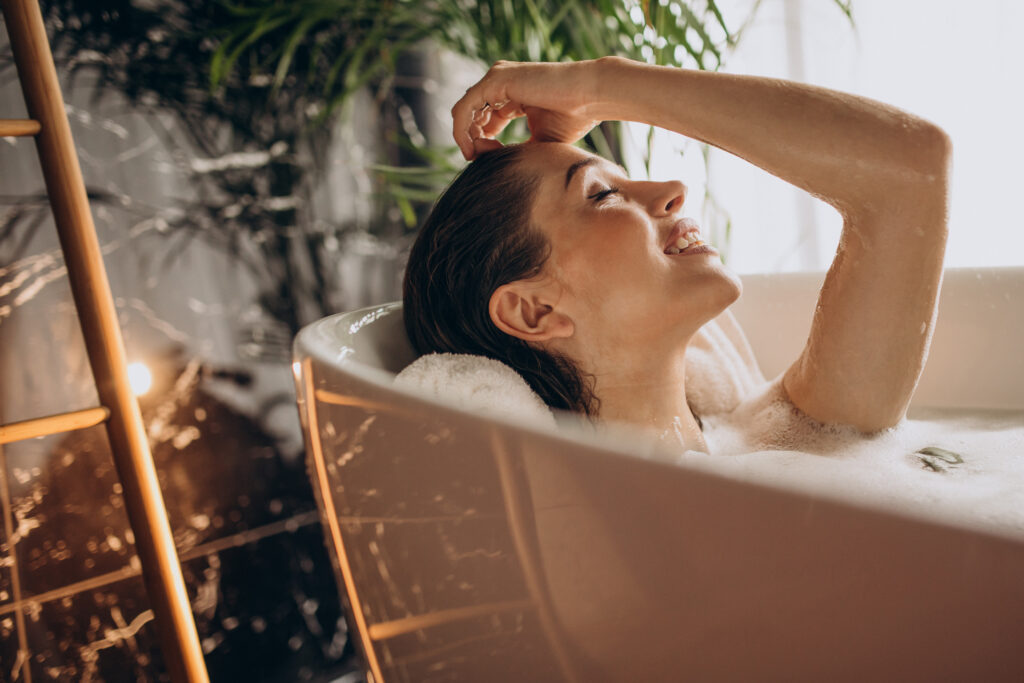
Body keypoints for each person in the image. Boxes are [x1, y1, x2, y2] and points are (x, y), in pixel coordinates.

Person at [402, 57, 950, 453]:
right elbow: (909, 167)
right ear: (534, 311)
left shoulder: (788, 441)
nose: (670, 188)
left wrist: (597, 85)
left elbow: (911, 166)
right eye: (602, 194)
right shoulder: (602, 530)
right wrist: (596, 84)